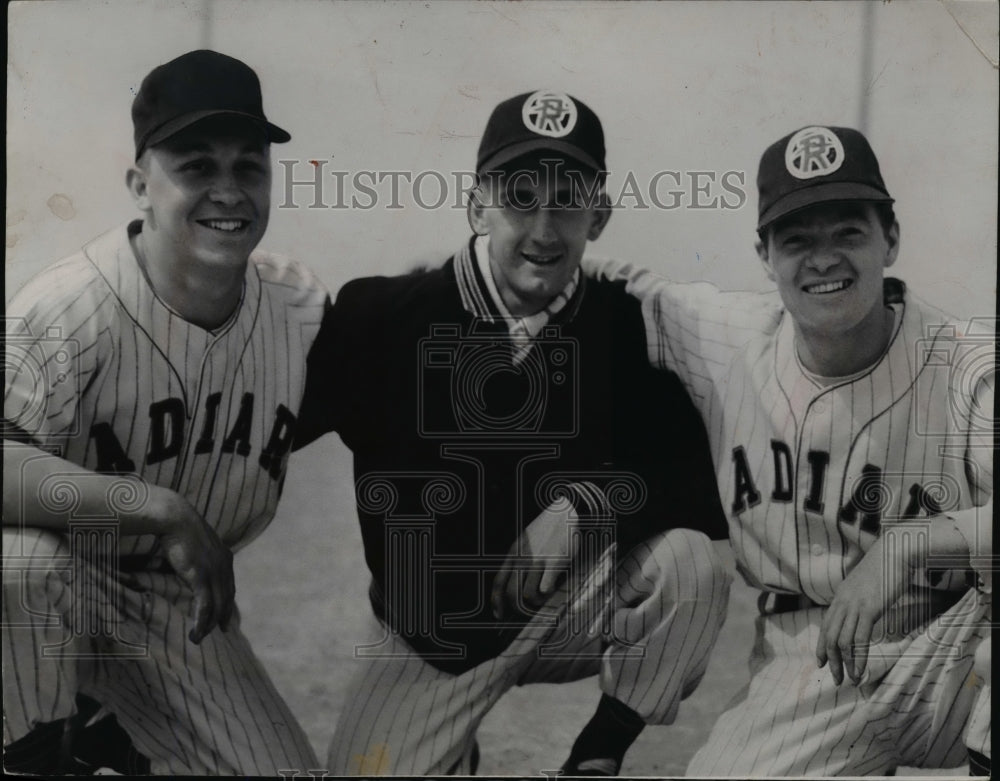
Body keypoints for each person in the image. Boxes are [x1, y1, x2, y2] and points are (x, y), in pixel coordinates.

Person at [294, 90, 731, 776]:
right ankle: (451, 750)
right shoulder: (384, 315)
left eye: (568, 200)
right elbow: (266, 426)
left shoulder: (619, 324)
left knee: (689, 562)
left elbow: (697, 478)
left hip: (564, 609)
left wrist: (586, 506)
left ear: (601, 212)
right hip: (431, 643)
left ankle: (599, 749)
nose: (544, 228)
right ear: (477, 205)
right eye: (521, 196)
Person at [586, 125, 992, 776]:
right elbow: (582, 274)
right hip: (806, 659)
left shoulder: (968, 361)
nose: (824, 258)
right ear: (764, 254)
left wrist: (907, 542)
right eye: (798, 239)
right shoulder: (722, 335)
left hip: (956, 649)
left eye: (848, 232)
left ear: (891, 238)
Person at [2, 50, 327, 775]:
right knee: (16, 564)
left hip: (176, 609)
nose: (227, 190)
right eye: (195, 165)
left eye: (248, 166)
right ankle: (30, 754)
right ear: (139, 184)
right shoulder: (64, 308)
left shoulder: (298, 312)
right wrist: (160, 507)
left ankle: (108, 729)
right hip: (55, 587)